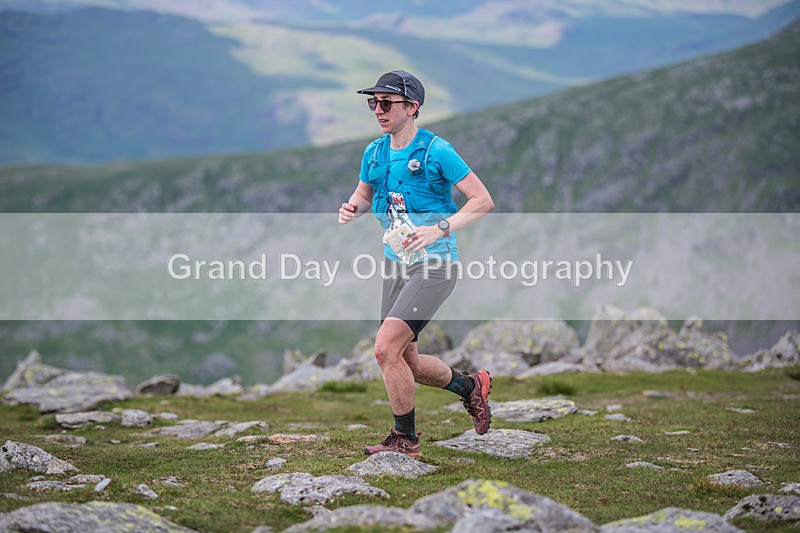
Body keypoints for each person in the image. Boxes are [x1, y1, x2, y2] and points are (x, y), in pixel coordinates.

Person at [338, 70, 495, 457]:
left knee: (384, 349)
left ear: (412, 107)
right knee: (406, 358)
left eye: (386, 102)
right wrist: (352, 208)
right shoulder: (373, 152)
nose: (378, 109)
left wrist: (440, 228)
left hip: (435, 265)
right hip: (397, 264)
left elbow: (482, 200)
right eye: (372, 102)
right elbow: (364, 192)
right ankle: (469, 386)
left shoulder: (436, 150)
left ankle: (405, 439)